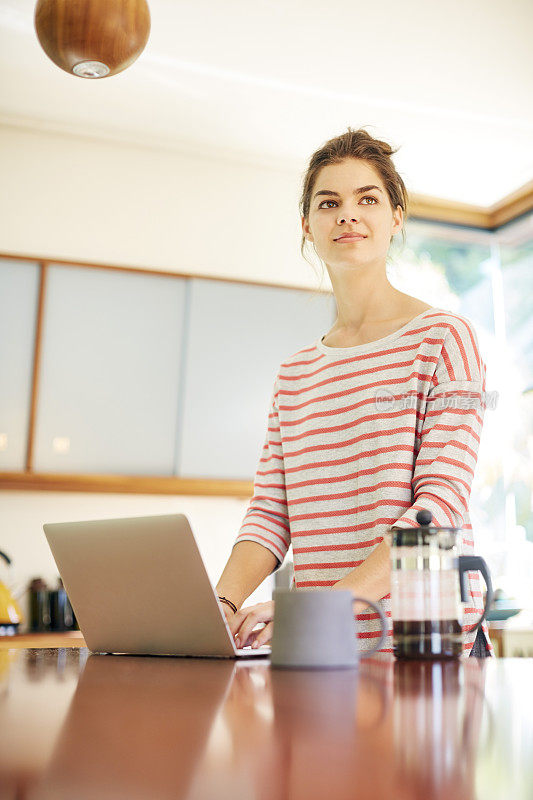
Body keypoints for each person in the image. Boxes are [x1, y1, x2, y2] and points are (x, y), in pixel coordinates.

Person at [216, 127, 493, 658]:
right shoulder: (296, 372)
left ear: (395, 218)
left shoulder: (444, 338)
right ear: (307, 225)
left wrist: (321, 606)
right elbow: (271, 516)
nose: (348, 214)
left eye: (368, 199)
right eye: (329, 202)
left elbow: (438, 510)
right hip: (325, 644)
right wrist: (219, 606)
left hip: (425, 645)